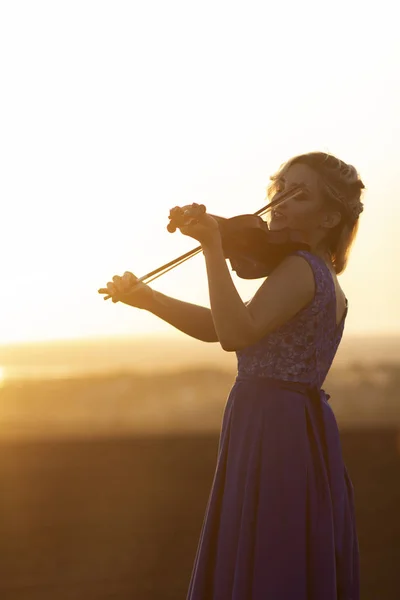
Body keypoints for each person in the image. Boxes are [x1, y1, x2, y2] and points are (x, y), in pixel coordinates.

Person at [101, 152, 364, 600]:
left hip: (274, 426)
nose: (279, 201)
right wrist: (148, 299)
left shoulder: (302, 269)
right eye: (279, 188)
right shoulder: (311, 272)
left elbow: (234, 333)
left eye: (298, 194)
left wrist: (213, 247)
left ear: (330, 217)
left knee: (266, 553)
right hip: (287, 423)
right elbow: (222, 326)